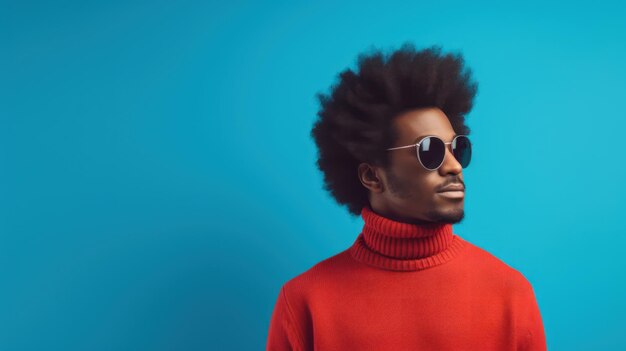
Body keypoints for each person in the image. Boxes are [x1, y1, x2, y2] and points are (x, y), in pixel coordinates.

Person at [266, 43, 547, 350]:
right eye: (430, 151)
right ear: (372, 175)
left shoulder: (509, 293)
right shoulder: (306, 302)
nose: (454, 166)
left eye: (458, 148)